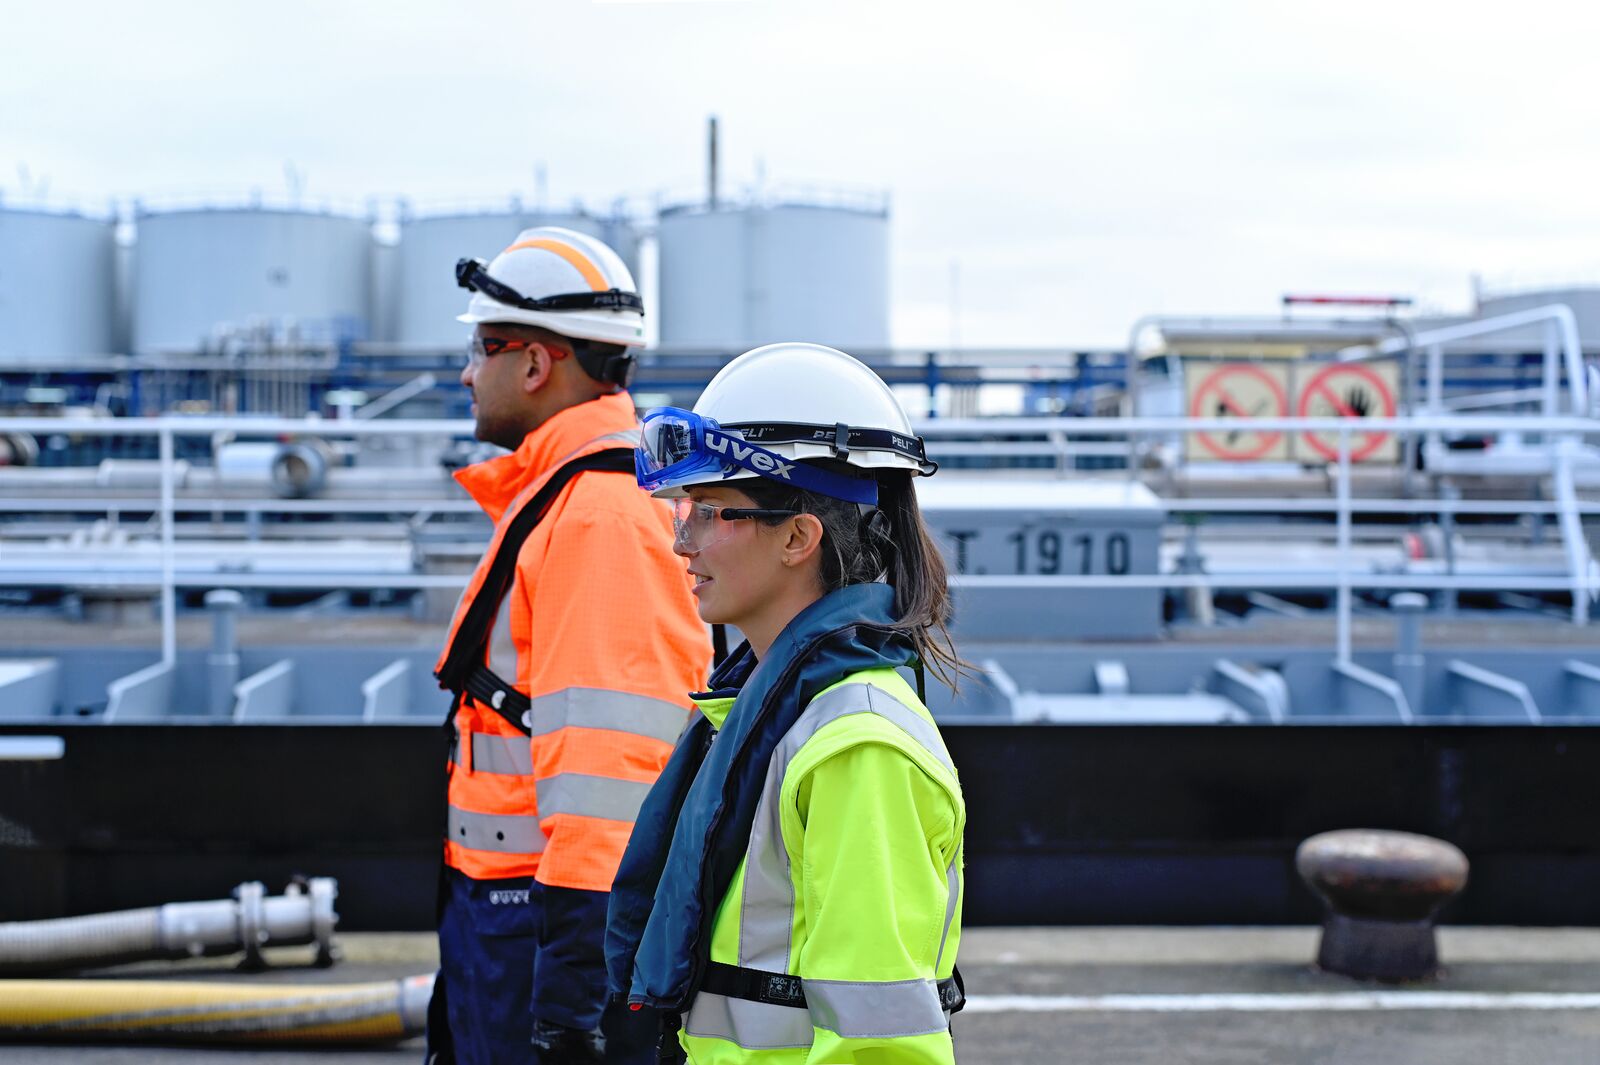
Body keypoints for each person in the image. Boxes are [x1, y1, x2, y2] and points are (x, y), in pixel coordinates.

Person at [605, 342, 967, 1064]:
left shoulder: (858, 747)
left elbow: (881, 1045)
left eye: (710, 510)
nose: (682, 540)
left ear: (798, 537)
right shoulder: (768, 708)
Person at [427, 227, 712, 1064]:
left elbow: (609, 774)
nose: (467, 371)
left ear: (537, 362)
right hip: (511, 910)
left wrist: (573, 1000)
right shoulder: (572, 493)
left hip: (538, 922)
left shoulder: (598, 515)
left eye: (481, 346)